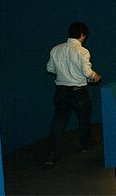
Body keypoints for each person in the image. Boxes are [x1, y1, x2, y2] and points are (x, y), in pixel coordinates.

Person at [45, 22, 101, 165]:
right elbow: (87, 72)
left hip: (61, 91)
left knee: (58, 122)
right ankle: (85, 144)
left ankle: (52, 155)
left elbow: (50, 69)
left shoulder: (56, 49)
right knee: (84, 119)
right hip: (79, 92)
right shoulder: (82, 51)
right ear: (83, 35)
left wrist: (64, 72)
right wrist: (96, 76)